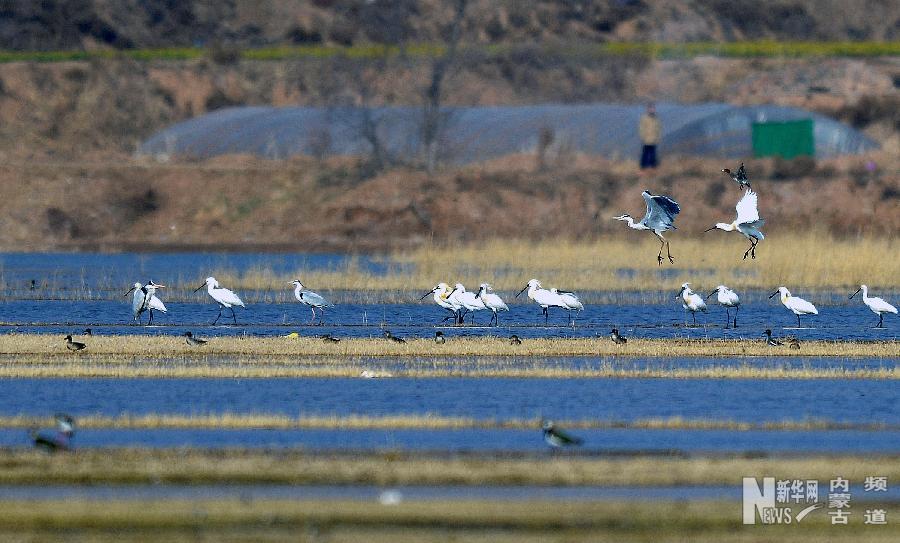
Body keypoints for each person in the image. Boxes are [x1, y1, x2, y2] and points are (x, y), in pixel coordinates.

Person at [639, 102, 661, 170]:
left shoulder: (657, 118)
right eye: (651, 109)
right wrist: (642, 137)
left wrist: (658, 138)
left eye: (653, 109)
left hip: (654, 139)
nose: (652, 110)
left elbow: (659, 128)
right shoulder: (644, 118)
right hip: (646, 139)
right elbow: (641, 128)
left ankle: (653, 166)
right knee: (645, 153)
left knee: (653, 153)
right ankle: (643, 166)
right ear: (648, 109)